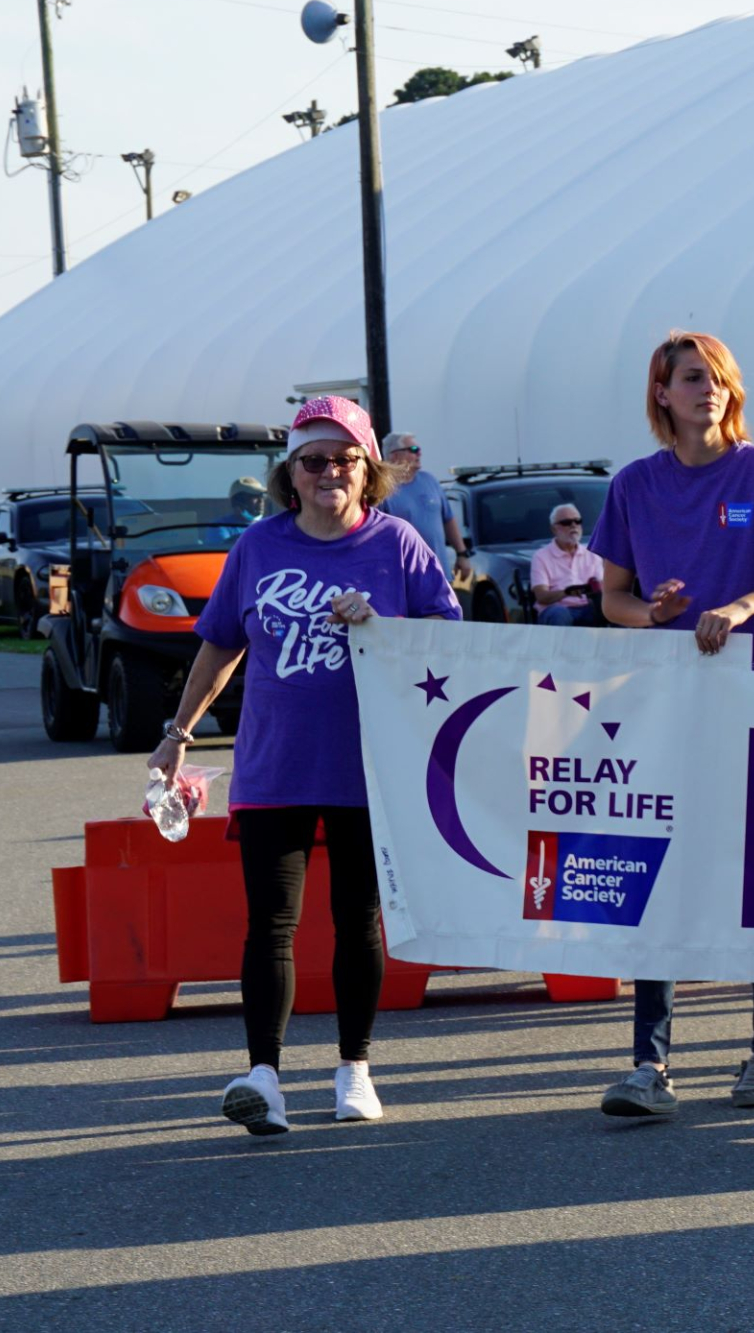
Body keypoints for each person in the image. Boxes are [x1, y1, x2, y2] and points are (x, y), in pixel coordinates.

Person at [146, 395, 460, 1135]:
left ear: (368, 469)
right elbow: (220, 644)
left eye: (344, 460)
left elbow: (449, 642)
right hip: (275, 763)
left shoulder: (400, 544)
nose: (329, 473)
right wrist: (177, 734)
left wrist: (382, 625)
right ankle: (264, 1077)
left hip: (368, 766)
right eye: (312, 461)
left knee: (358, 922)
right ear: (289, 472)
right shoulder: (258, 548)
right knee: (271, 926)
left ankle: (355, 1068)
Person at [593, 331, 754, 1119]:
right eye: (694, 378)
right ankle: (648, 1067)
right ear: (662, 393)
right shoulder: (633, 485)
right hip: (665, 701)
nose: (712, 390)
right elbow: (612, 600)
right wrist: (650, 612)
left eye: (722, 378)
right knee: (658, 875)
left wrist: (747, 603)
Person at [380, 432, 468, 578]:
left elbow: (448, 520)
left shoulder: (430, 481)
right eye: (414, 449)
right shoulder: (382, 490)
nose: (419, 453)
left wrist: (462, 554)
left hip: (440, 575)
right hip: (406, 578)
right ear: (394, 455)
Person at [530, 501, 605, 627]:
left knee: (614, 612)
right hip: (557, 609)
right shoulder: (541, 556)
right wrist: (566, 593)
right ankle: (559, 647)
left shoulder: (592, 554)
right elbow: (541, 596)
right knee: (559, 614)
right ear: (554, 529)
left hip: (588, 607)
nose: (573, 526)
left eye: (577, 521)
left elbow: (603, 587)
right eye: (566, 523)